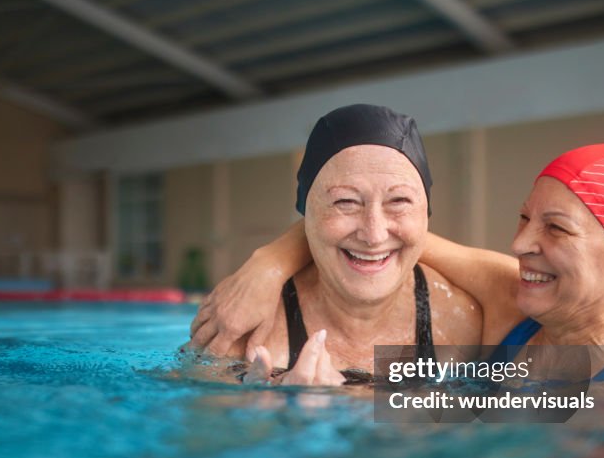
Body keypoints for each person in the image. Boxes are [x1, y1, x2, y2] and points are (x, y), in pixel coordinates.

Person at [192, 142, 604, 386]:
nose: (520, 243)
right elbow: (393, 236)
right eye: (525, 218)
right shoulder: (513, 305)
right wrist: (268, 264)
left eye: (556, 228)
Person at [196, 103, 482, 386]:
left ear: (425, 212)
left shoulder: (462, 325)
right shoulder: (246, 327)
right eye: (346, 201)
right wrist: (255, 409)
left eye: (399, 201)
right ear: (306, 214)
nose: (374, 235)